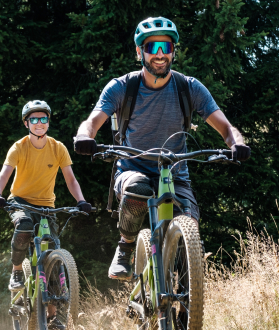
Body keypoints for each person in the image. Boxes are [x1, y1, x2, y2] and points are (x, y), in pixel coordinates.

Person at [73, 16, 251, 281]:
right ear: (139, 51)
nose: (159, 54)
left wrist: (238, 142)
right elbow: (93, 121)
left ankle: (183, 307)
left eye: (165, 47)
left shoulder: (188, 87)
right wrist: (84, 136)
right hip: (133, 168)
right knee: (138, 189)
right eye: (152, 47)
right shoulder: (123, 87)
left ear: (173, 52)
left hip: (175, 174)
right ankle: (126, 246)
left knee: (188, 225)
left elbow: (226, 128)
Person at [0, 101, 93, 293]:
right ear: (26, 123)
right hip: (20, 201)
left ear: (48, 121)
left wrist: (81, 201)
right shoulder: (19, 147)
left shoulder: (58, 148)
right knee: (24, 225)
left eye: (43, 118)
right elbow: (4, 174)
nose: (39, 123)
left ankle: (52, 317)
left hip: (46, 206)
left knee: (52, 253)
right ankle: (17, 270)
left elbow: (71, 180)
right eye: (34, 119)